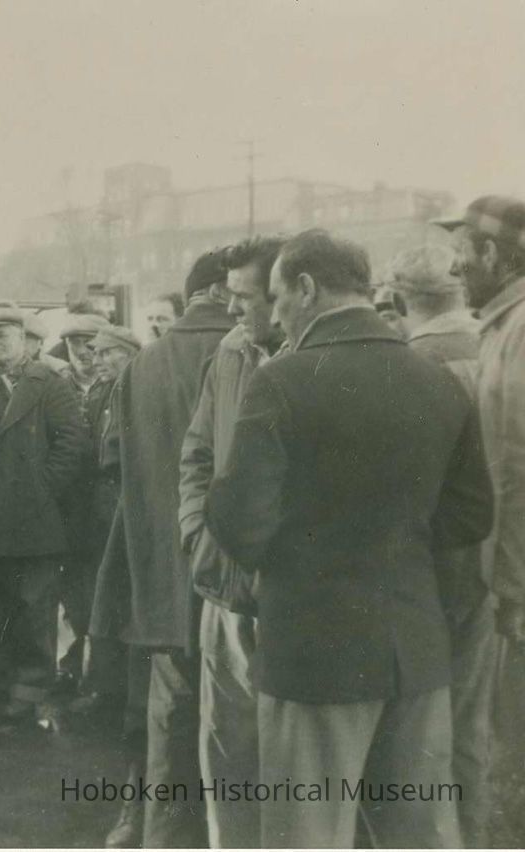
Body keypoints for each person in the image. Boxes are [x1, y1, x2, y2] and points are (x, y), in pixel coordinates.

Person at [206, 229, 493, 848]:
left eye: (278, 297)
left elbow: (238, 522)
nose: (276, 314)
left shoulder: (282, 381)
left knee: (306, 834)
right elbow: (471, 517)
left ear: (306, 288)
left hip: (312, 653)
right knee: (418, 837)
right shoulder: (435, 379)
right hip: (415, 652)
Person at [93, 249, 233, 848]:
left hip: (154, 568)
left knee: (164, 711)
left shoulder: (140, 365)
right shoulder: (250, 352)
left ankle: (154, 829)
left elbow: (112, 460)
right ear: (228, 293)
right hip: (228, 568)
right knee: (234, 717)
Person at [177, 235, 286, 848]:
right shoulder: (230, 351)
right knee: (228, 757)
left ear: (288, 292)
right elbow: (196, 451)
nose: (235, 309)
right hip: (224, 588)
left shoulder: (316, 360)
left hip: (292, 594)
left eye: (245, 297)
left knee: (299, 766)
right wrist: (199, 533)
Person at [385, 243, 493, 846]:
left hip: (435, 561)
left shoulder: (415, 364)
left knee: (423, 727)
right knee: (474, 721)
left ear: (402, 300)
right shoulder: (497, 344)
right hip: (495, 555)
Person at [0, 307, 91, 730]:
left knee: (34, 607)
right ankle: (0, 681)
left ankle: (30, 691)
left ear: (22, 338)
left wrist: (39, 492)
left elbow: (72, 443)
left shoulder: (49, 383)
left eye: (3, 337)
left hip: (35, 522)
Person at [442, 194, 525, 791]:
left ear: (493, 254)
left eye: (461, 254)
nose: (453, 270)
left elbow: (517, 471)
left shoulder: (520, 332)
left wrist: (512, 588)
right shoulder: (503, 328)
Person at [63, 325, 141, 734]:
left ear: (128, 352)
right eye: (97, 352)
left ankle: (115, 694)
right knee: (99, 600)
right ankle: (105, 688)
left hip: (122, 506)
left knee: (116, 601)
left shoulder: (135, 387)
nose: (99, 359)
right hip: (100, 509)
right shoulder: (102, 392)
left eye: (108, 352)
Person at [53, 314, 110, 697]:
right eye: (75, 345)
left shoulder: (116, 382)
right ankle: (71, 665)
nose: (84, 353)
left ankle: (102, 673)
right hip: (69, 502)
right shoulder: (56, 384)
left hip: (104, 500)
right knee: (70, 588)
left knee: (103, 586)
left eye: (91, 344)